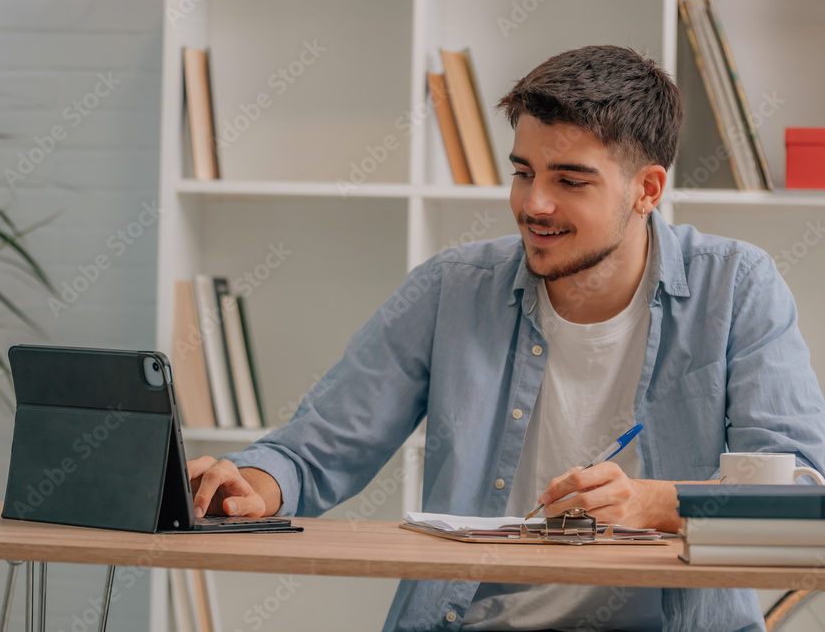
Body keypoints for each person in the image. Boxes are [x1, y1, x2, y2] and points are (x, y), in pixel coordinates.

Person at [186, 45, 825, 631]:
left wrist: (655, 503)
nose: (534, 205)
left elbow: (802, 492)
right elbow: (316, 450)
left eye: (570, 181)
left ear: (647, 190)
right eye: (524, 172)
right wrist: (254, 483)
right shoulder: (452, 287)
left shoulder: (737, 287)